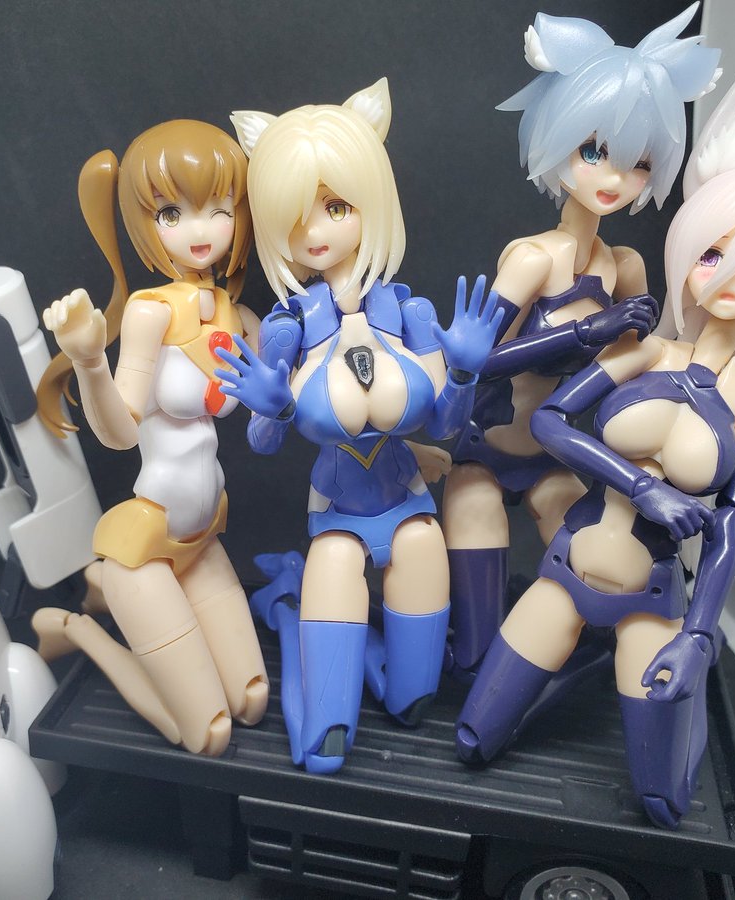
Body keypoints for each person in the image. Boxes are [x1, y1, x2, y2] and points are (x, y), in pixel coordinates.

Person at [456, 65, 735, 827]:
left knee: (663, 799)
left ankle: (668, 705)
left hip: (652, 599)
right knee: (474, 738)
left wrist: (701, 635)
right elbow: (551, 423)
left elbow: (730, 531)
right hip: (563, 571)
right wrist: (643, 486)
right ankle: (571, 676)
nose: (731, 279)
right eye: (714, 253)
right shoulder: (644, 350)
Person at [218, 79, 502, 773]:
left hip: (407, 498)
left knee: (415, 677)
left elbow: (444, 425)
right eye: (296, 216)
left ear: (370, 203)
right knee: (337, 571)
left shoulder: (408, 313)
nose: (316, 231)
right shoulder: (288, 328)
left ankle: (393, 680)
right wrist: (275, 407)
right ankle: (317, 683)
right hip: (338, 509)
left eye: (336, 206)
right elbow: (261, 443)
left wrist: (464, 373)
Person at [442, 5, 721, 679]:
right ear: (557, 141)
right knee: (474, 644)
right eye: (593, 151)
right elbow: (480, 363)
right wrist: (581, 332)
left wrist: (728, 394)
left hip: (559, 456)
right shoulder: (533, 259)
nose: (613, 178)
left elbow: (651, 363)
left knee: (590, 585)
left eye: (638, 162)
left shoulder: (625, 267)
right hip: (487, 448)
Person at [32, 120, 267, 757]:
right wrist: (88, 361)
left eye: (219, 209)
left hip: (204, 535)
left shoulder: (238, 315)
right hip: (148, 545)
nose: (199, 230)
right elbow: (120, 432)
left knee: (250, 700)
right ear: (146, 224)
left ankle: (98, 595)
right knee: (207, 734)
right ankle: (81, 629)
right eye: (171, 213)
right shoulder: (149, 312)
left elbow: (287, 394)